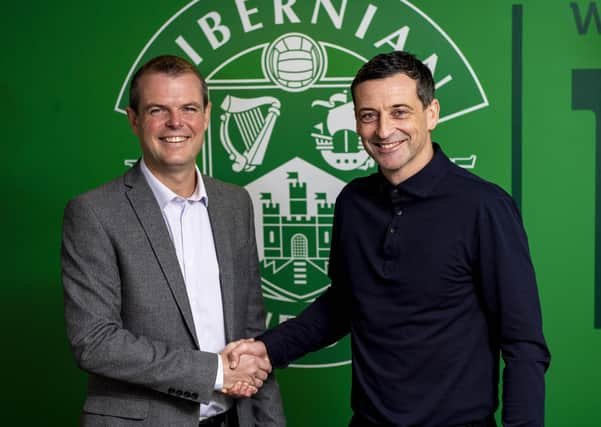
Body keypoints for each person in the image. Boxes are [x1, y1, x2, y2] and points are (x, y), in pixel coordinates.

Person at [227, 51, 551, 427]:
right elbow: (345, 305)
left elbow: (523, 344)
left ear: (431, 114)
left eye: (399, 112)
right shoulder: (353, 201)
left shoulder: (485, 207)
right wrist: (267, 349)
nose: (383, 131)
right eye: (369, 116)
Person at [61, 55, 285, 427]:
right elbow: (94, 341)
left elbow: (252, 335)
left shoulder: (235, 203)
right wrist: (214, 372)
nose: (176, 123)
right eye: (157, 110)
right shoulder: (94, 213)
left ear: (208, 115)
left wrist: (270, 422)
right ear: (134, 120)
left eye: (189, 108)